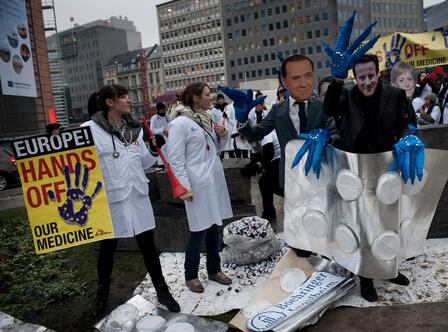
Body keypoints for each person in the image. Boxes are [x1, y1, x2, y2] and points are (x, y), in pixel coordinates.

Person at [323, 54, 415, 302]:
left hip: (387, 166)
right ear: (355, 76)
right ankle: (366, 277)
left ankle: (389, 269)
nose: (366, 82)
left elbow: (407, 123)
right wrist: (338, 80)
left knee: (387, 222)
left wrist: (407, 138)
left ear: (378, 73)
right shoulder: (347, 94)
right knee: (363, 224)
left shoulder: (395, 95)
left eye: (371, 76)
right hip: (356, 168)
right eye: (361, 77)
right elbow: (328, 109)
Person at [84, 84, 180, 315]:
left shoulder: (133, 130)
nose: (129, 101)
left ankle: (162, 291)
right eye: (124, 97)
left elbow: (143, 163)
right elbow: (79, 165)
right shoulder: (89, 130)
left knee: (148, 247)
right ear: (110, 102)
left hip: (137, 197)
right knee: (107, 250)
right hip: (112, 200)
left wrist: (155, 150)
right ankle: (102, 296)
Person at [230, 54, 340, 190]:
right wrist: (242, 121)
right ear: (284, 81)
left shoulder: (321, 106)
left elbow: (337, 137)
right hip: (291, 177)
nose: (303, 83)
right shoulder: (277, 110)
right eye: (295, 78)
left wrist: (327, 139)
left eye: (307, 76)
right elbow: (255, 135)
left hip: (320, 173)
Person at [166, 82, 233, 293]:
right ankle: (190, 275)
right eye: (206, 95)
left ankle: (214, 269)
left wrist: (223, 135)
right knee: (198, 230)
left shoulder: (208, 119)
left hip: (212, 179)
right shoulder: (180, 124)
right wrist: (184, 187)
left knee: (214, 226)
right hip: (196, 184)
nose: (210, 98)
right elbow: (175, 158)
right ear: (195, 98)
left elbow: (216, 149)